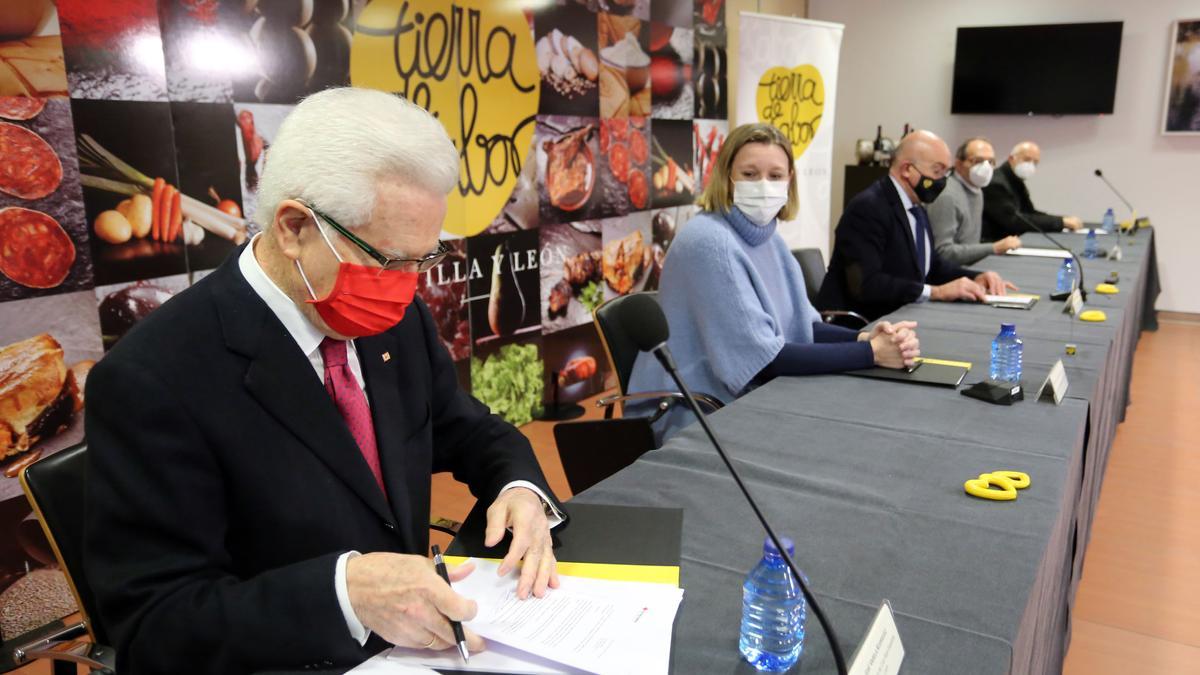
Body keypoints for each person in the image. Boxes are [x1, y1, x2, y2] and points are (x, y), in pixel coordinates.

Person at [83, 88, 566, 674]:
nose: (408, 287)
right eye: (388, 261)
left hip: (419, 647)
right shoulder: (153, 380)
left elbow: (467, 429)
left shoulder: (394, 318)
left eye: (424, 259)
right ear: (292, 228)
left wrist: (520, 489)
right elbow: (156, 625)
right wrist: (343, 593)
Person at [625, 123, 920, 442]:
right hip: (695, 412)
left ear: (789, 180)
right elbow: (764, 360)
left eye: (775, 175)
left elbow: (803, 327)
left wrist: (863, 338)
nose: (764, 185)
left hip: (737, 398)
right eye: (750, 174)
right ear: (727, 177)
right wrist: (872, 354)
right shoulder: (711, 243)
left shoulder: (769, 240)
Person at [817, 130, 1015, 322]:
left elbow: (932, 265)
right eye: (937, 171)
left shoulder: (915, 206)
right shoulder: (868, 208)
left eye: (946, 172)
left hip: (902, 314)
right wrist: (935, 292)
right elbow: (866, 284)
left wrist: (975, 278)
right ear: (907, 169)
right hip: (862, 323)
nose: (942, 181)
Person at [927, 137, 1022, 266]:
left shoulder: (976, 190)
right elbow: (943, 253)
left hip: (969, 267)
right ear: (959, 164)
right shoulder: (947, 196)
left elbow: (970, 245)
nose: (986, 167)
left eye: (991, 161)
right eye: (978, 161)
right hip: (949, 277)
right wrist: (994, 247)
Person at [982, 141, 1084, 240]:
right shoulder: (995, 183)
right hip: (994, 244)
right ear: (1011, 158)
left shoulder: (1015, 180)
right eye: (1027, 159)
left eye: (1035, 162)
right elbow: (1014, 221)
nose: (1030, 165)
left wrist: (1063, 220)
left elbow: (1029, 213)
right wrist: (1061, 222)